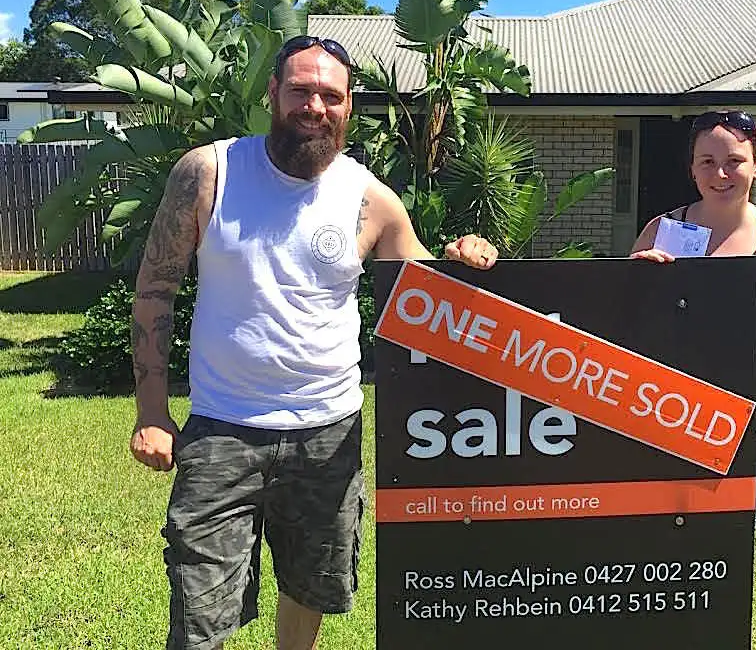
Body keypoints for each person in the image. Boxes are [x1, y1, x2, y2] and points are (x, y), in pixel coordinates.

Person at [128, 34, 499, 650]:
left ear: (349, 106)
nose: (314, 106)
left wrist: (467, 260)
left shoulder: (371, 199)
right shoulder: (208, 173)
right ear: (272, 93)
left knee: (310, 588)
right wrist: (150, 411)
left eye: (331, 94)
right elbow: (155, 290)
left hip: (329, 429)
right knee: (199, 607)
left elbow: (427, 295)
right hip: (223, 426)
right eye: (300, 90)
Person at [630, 110, 756, 529]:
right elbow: (623, 328)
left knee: (729, 565)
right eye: (707, 161)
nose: (720, 173)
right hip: (667, 431)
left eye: (734, 161)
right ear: (691, 168)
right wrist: (637, 283)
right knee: (664, 553)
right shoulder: (661, 232)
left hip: (751, 440)